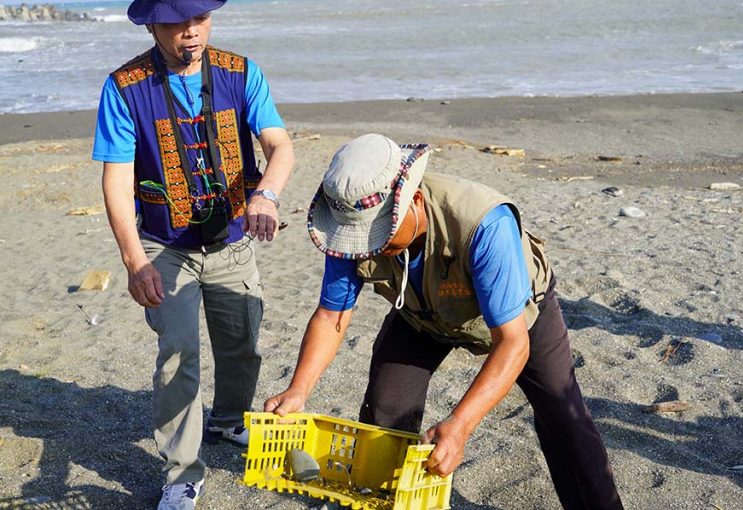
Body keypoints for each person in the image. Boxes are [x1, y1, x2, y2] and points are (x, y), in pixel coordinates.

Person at [264, 134, 623, 509]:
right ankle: (386, 501)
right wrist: (299, 389)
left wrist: (460, 425)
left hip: (518, 315)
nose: (368, 248)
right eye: (361, 239)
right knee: (385, 410)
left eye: (380, 237)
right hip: (420, 312)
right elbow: (331, 314)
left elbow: (513, 342)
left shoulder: (485, 223)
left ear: (414, 200)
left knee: (562, 416)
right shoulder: (349, 222)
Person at [92, 0, 294, 508]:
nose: (191, 32)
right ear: (152, 25)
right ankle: (182, 471)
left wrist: (265, 194)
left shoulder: (241, 72)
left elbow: (280, 146)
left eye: (199, 20)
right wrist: (134, 261)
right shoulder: (124, 87)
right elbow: (116, 182)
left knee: (241, 346)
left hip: (234, 241)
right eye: (177, 23)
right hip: (163, 245)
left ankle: (227, 423)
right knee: (178, 354)